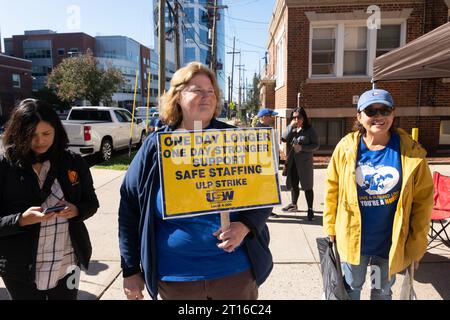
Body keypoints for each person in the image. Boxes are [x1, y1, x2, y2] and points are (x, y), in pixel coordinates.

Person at [119, 62, 273, 300]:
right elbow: (129, 209)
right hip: (176, 278)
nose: (206, 96)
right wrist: (130, 270)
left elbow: (265, 194)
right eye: (197, 90)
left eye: (211, 91)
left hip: (235, 274)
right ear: (177, 96)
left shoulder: (235, 141)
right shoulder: (156, 147)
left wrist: (245, 227)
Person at [323, 89, 434, 300]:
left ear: (393, 113)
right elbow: (332, 189)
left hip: (388, 245)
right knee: (350, 289)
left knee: (381, 292)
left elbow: (423, 203)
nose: (378, 116)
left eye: (384, 110)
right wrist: (330, 226)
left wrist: (417, 245)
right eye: (371, 111)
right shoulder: (345, 149)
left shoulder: (411, 152)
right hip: (354, 240)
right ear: (359, 116)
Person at [0, 99, 99, 300]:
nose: (40, 141)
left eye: (46, 134)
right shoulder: (5, 166)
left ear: (57, 131)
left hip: (68, 262)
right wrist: (20, 220)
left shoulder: (73, 161)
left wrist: (76, 210)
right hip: (20, 269)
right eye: (32, 135)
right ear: (18, 134)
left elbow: (91, 203)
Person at [281, 107, 319, 221]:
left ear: (304, 117)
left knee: (307, 186)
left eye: (299, 117)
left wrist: (302, 148)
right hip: (293, 162)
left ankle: (310, 209)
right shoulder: (292, 129)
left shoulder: (310, 129)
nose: (297, 119)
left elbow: (316, 145)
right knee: (294, 185)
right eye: (294, 117)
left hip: (305, 163)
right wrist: (290, 126)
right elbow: (283, 138)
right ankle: (294, 204)